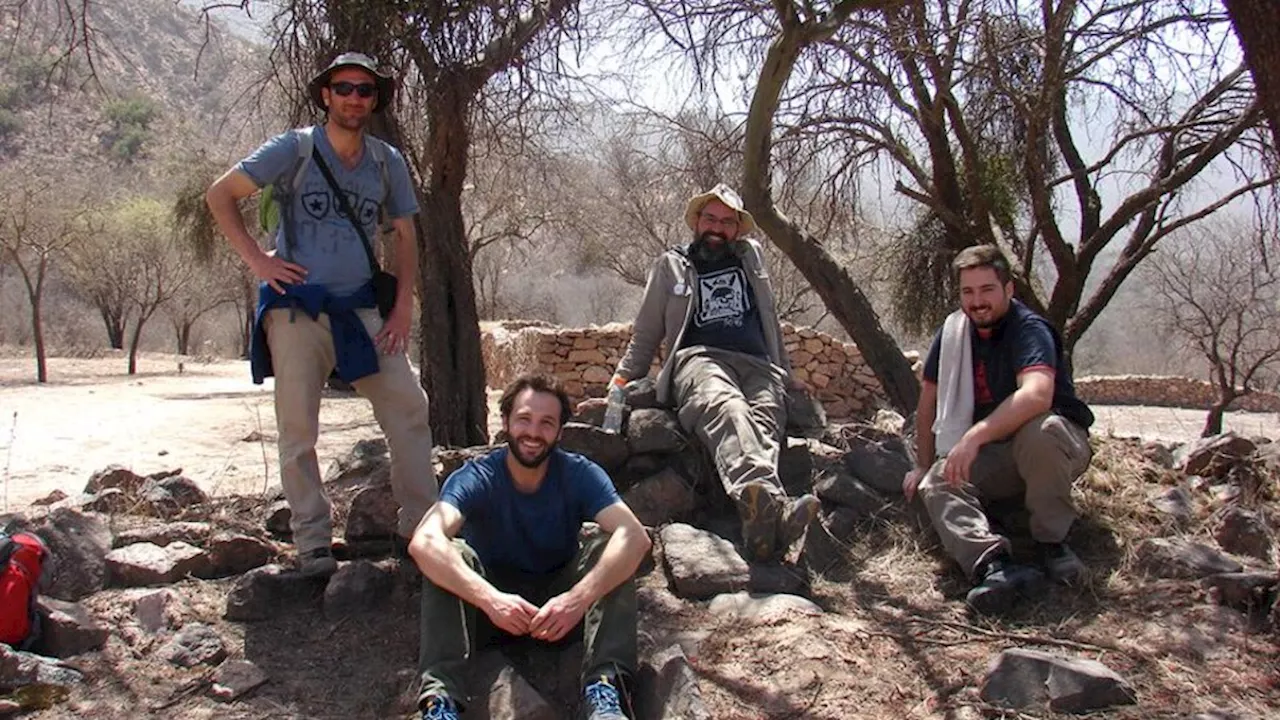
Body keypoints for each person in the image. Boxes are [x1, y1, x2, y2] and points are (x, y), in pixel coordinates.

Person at [206, 52, 435, 577]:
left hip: (360, 308)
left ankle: (420, 530)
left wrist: (401, 310)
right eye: (345, 88)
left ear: (374, 101)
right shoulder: (294, 150)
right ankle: (312, 540)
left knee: (408, 405)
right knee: (297, 425)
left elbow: (404, 234)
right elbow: (220, 195)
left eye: (366, 90)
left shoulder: (385, 161)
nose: (355, 98)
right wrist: (259, 262)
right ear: (326, 95)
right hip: (297, 307)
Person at [410, 374, 651, 720]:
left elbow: (635, 535)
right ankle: (441, 702)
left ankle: (606, 691)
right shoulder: (477, 476)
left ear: (559, 432)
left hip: (561, 611)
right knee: (450, 552)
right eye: (524, 419)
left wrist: (576, 600)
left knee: (607, 547)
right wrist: (490, 599)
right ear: (505, 421)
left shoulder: (579, 474)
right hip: (489, 612)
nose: (533, 433)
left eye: (546, 423)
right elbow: (424, 541)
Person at [611, 183, 819, 562]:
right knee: (728, 409)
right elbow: (645, 335)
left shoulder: (751, 258)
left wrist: (786, 374)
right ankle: (774, 509)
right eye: (710, 218)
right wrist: (619, 385)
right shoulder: (671, 264)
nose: (717, 228)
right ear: (697, 221)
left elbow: (769, 319)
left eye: (727, 221)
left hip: (758, 363)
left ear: (737, 229)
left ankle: (761, 526)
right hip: (699, 359)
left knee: (766, 417)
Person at [903, 244, 1095, 615]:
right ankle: (994, 566)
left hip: (1054, 444)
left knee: (1041, 430)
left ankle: (1051, 542)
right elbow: (928, 401)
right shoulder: (955, 332)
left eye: (987, 290)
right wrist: (923, 464)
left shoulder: (1029, 329)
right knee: (938, 482)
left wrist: (974, 437)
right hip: (997, 454)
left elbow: (1037, 395)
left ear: (1008, 289)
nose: (977, 302)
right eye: (968, 292)